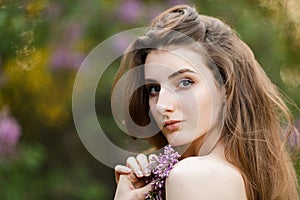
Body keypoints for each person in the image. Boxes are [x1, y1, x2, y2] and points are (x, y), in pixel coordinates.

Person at [112, 4, 299, 200]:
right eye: (154, 89)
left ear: (226, 86)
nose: (161, 105)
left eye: (185, 82)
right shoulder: (248, 176)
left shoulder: (193, 176)